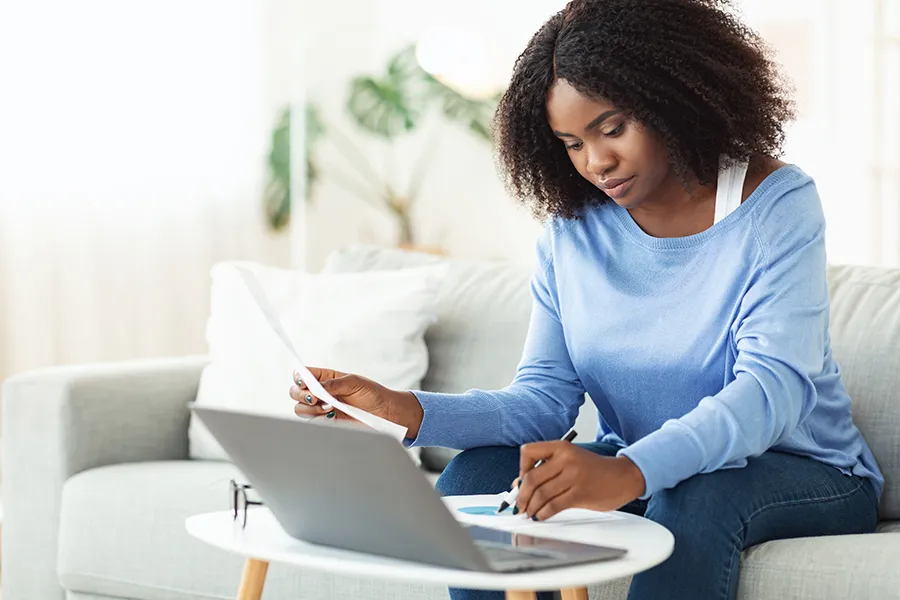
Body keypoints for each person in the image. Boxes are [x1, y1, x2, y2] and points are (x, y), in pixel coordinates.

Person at [289, 0, 883, 598]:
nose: (596, 162)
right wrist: (403, 408)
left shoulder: (775, 204)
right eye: (571, 143)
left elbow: (771, 390)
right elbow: (543, 401)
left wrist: (630, 471)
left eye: (613, 127)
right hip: (647, 470)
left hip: (807, 470)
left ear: (673, 98)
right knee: (475, 476)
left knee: (699, 493)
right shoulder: (571, 232)